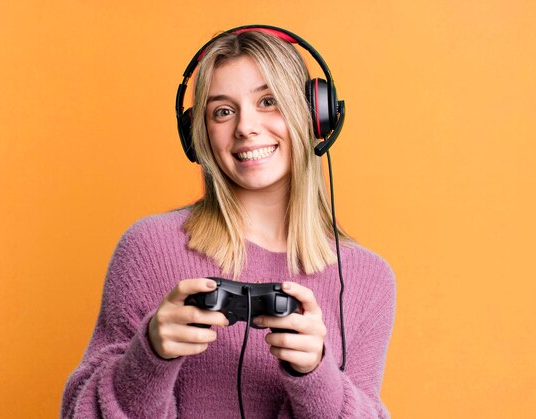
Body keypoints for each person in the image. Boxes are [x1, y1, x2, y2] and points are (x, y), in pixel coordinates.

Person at [61, 26, 396, 418]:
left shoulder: (367, 279)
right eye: (223, 111)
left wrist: (314, 375)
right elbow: (81, 413)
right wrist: (149, 355)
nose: (245, 127)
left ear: (315, 115)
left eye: (268, 101)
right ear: (200, 134)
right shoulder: (148, 249)